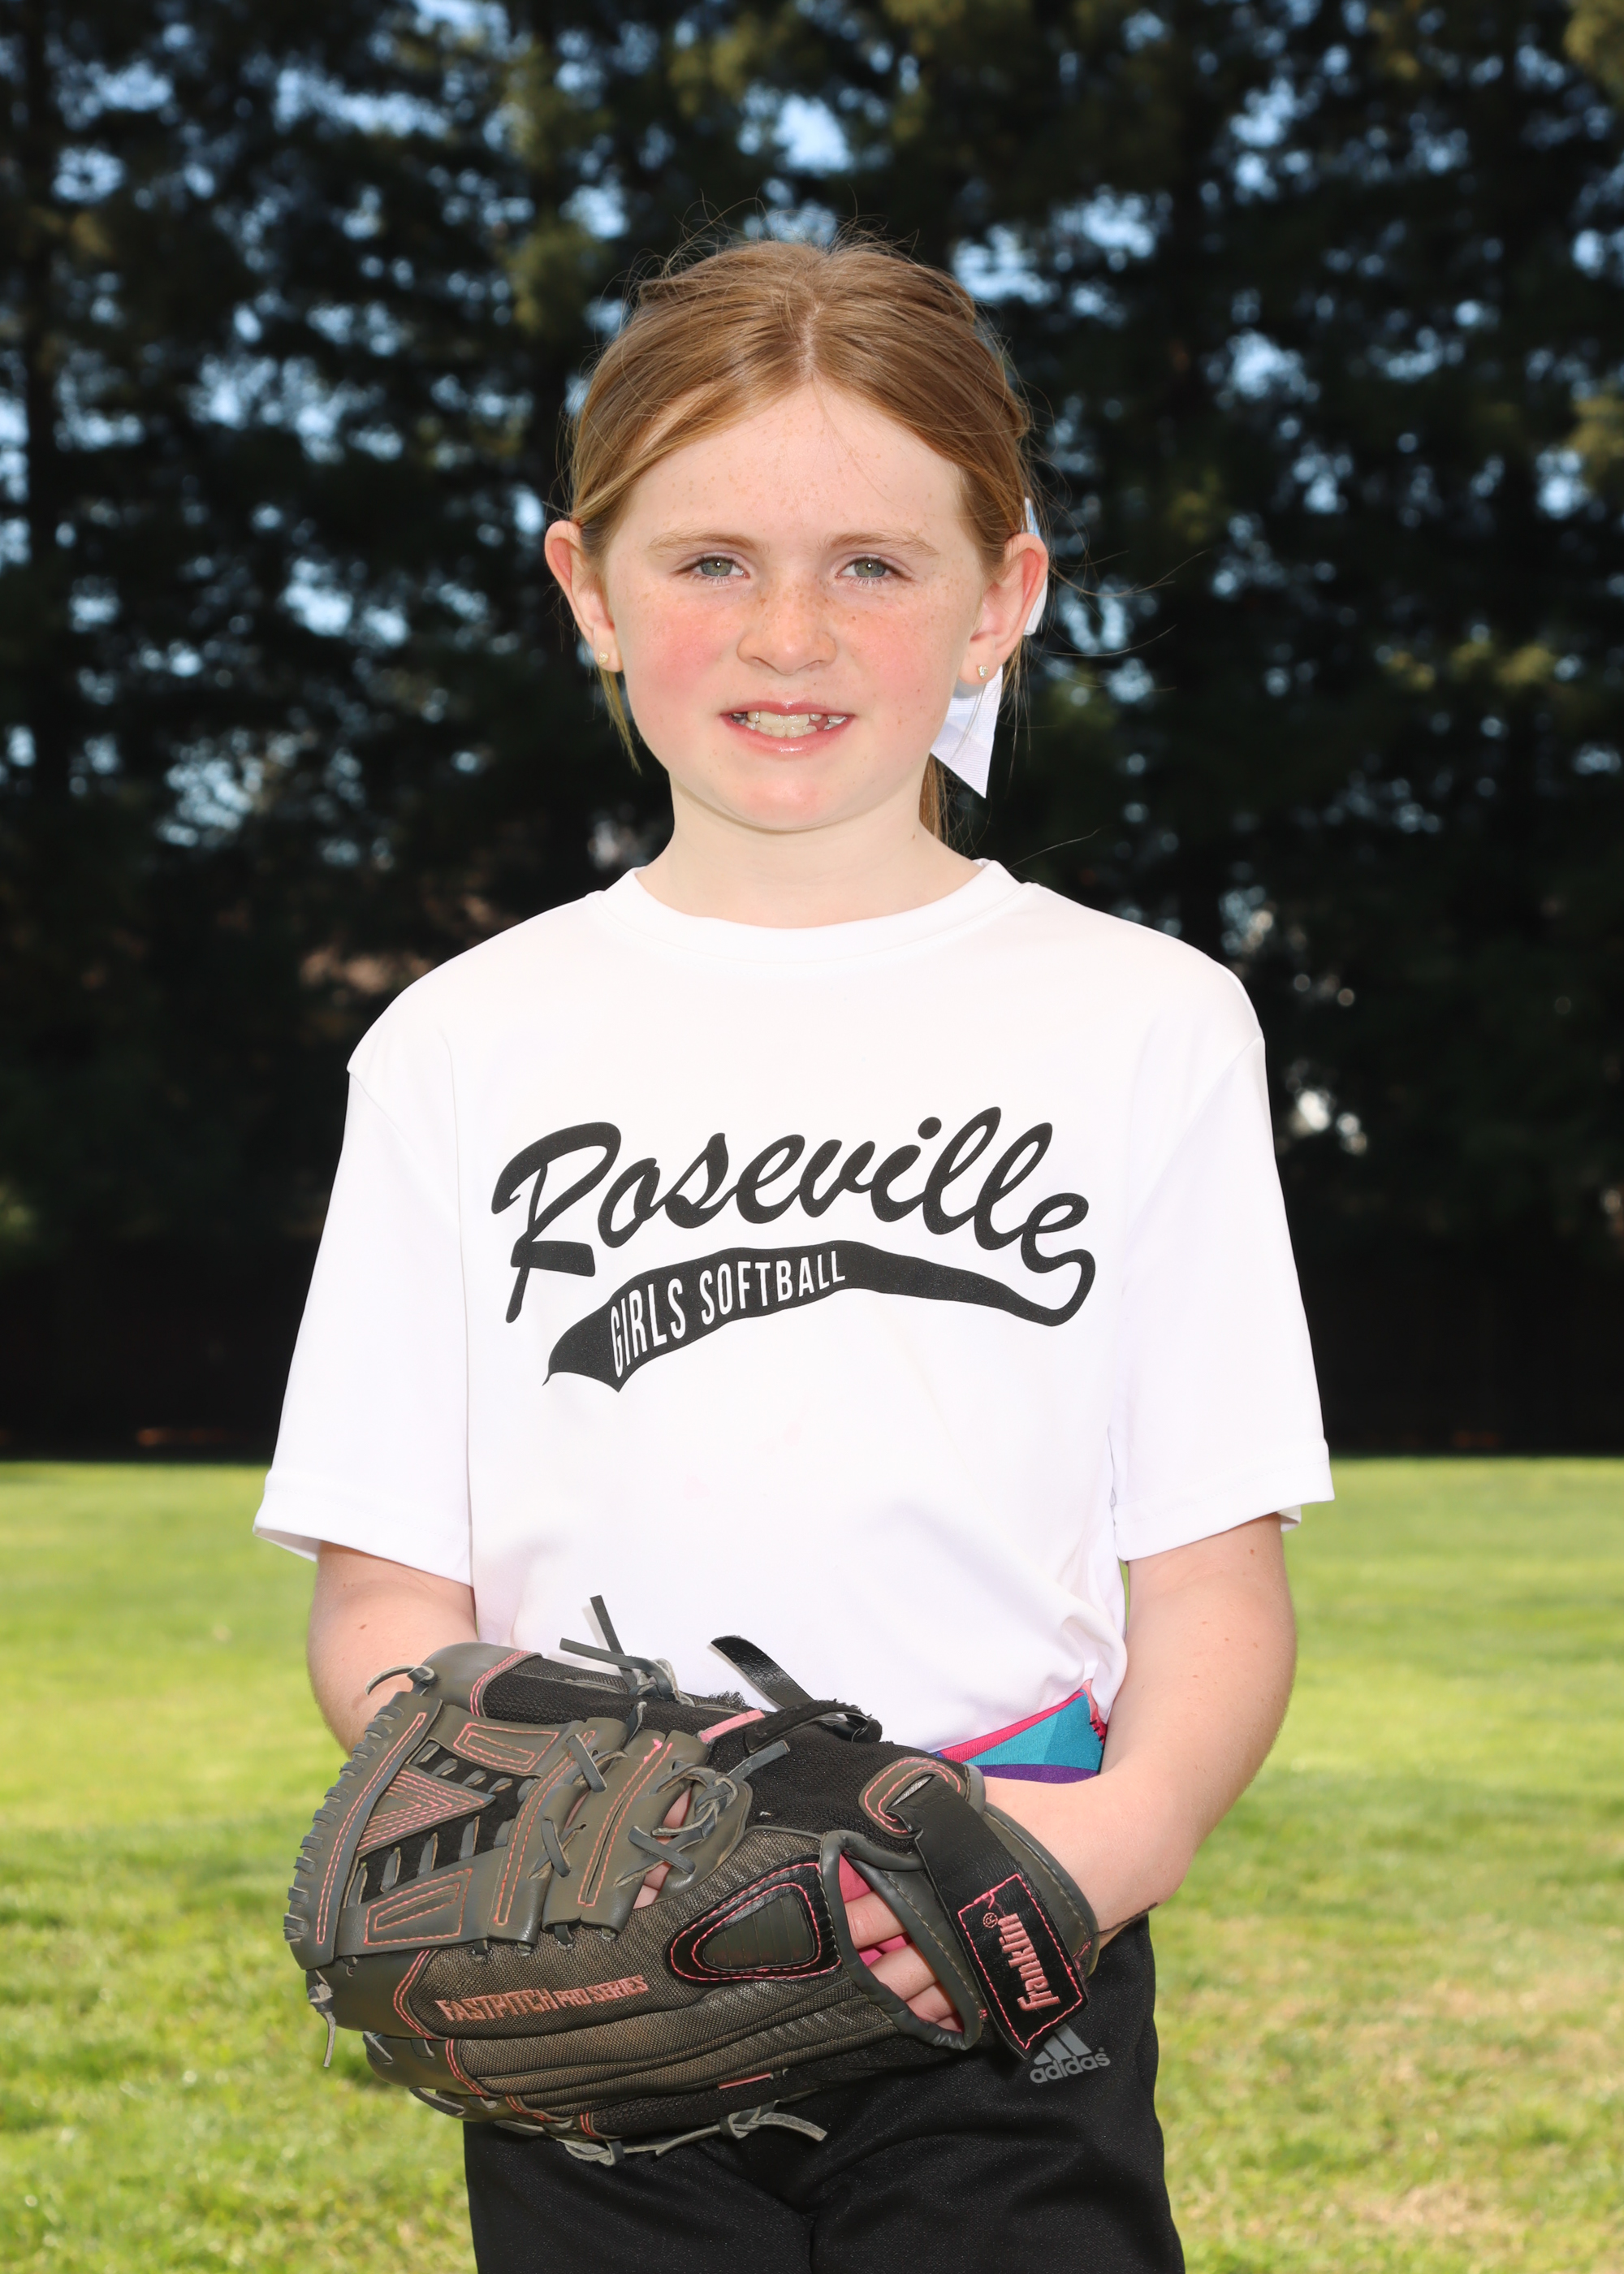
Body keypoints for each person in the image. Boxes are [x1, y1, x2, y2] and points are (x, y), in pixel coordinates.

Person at [255, 235, 1332, 2272]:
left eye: (873, 563)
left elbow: (1213, 1577)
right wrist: (537, 1836)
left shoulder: (1146, 1019)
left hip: (1003, 1933)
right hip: (597, 1965)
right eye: (710, 559)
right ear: (586, 587)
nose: (790, 632)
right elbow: (385, 1585)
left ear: (999, 595)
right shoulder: (460, 1044)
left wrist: (1097, 1853)